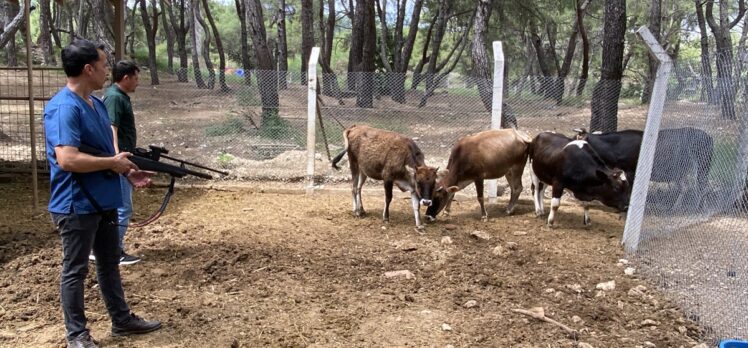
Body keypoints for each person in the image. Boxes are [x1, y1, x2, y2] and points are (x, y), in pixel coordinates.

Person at [44, 39, 161, 348]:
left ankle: (121, 320)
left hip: (103, 200)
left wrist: (126, 170)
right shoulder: (63, 108)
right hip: (76, 204)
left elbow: (105, 153)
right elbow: (67, 159)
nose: (108, 70)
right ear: (88, 69)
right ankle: (77, 336)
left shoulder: (95, 104)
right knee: (75, 270)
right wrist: (112, 162)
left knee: (108, 262)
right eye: (104, 64)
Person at [100, 60, 141, 265]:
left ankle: (108, 249)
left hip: (123, 157)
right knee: (123, 207)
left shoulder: (119, 96)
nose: (137, 82)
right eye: (135, 78)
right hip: (120, 161)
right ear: (125, 78)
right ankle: (112, 251)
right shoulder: (115, 98)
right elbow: (111, 128)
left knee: (121, 206)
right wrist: (117, 159)